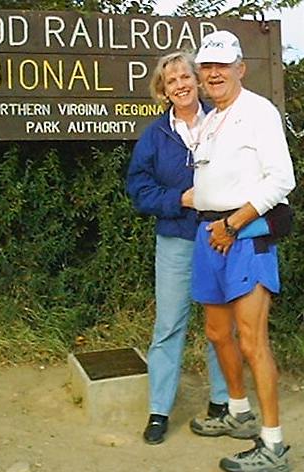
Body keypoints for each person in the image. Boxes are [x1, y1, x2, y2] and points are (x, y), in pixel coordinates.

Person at [188, 31, 296, 471]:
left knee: (252, 341)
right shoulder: (212, 117)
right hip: (209, 234)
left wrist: (232, 224)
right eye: (207, 67)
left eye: (222, 66)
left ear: (240, 68)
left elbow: (281, 180)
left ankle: (273, 446)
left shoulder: (259, 112)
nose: (213, 74)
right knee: (217, 334)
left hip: (244, 235)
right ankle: (239, 414)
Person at [126, 51, 230, 445]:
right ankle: (159, 411)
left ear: (197, 81)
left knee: (221, 324)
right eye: (172, 81)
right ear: (163, 90)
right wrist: (179, 200)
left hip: (222, 236)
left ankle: (223, 403)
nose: (181, 84)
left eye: (186, 76)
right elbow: (138, 190)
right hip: (175, 240)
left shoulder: (223, 121)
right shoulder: (155, 136)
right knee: (168, 325)